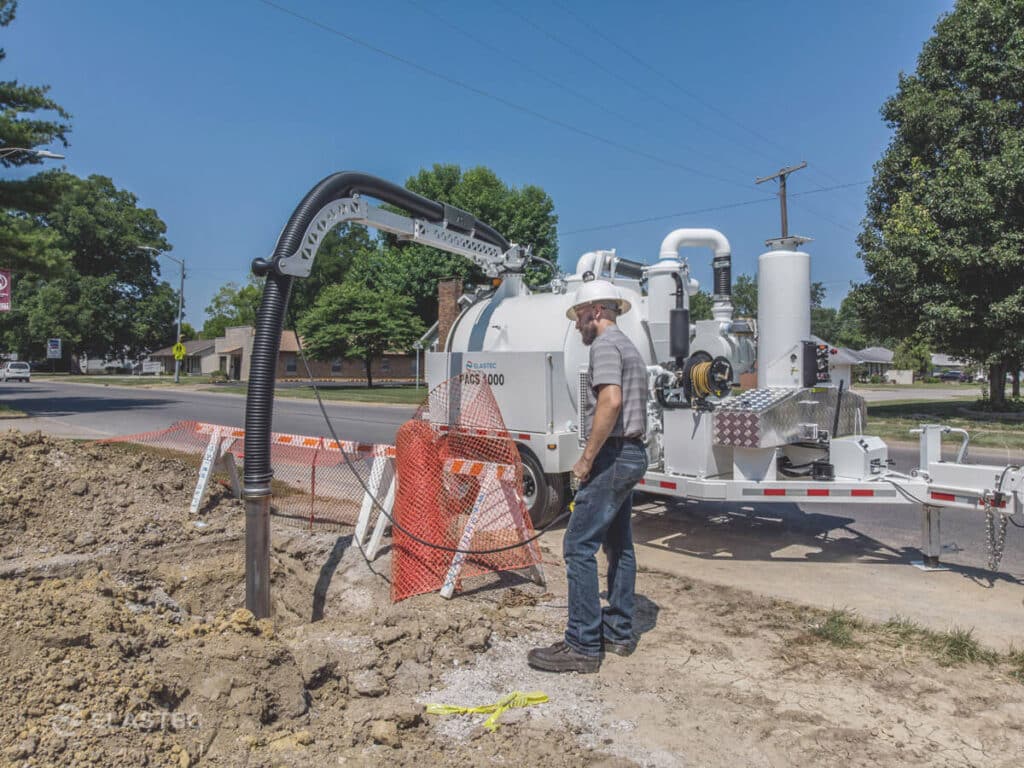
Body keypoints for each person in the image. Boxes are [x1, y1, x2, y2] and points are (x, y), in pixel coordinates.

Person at [527, 278, 649, 674]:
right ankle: (617, 631)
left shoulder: (605, 346)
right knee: (618, 544)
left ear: (596, 311)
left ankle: (581, 644)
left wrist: (585, 459)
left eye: (579, 315)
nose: (577, 323)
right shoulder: (629, 346)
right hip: (632, 453)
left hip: (613, 455)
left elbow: (610, 400)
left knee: (578, 546)